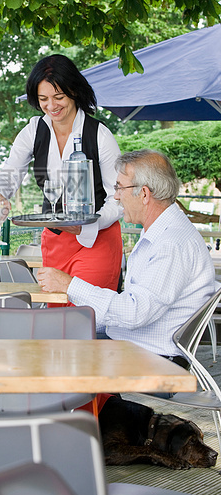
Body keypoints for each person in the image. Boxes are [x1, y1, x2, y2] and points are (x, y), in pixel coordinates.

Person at [37, 149, 216, 361]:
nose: (116, 196)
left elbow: (135, 313)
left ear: (144, 194)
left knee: (47, 352)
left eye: (120, 187)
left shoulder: (172, 243)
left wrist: (70, 285)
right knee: (53, 334)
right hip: (137, 345)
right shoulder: (161, 231)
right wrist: (75, 319)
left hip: (152, 359)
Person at [0, 54, 123, 295]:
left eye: (58, 97)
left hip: (97, 240)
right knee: (57, 316)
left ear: (74, 91)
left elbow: (119, 197)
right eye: (43, 99)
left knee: (87, 312)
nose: (51, 106)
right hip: (55, 240)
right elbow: (11, 169)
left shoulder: (99, 134)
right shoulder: (33, 131)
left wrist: (90, 226)